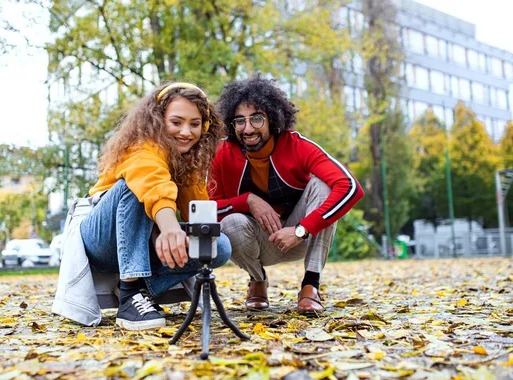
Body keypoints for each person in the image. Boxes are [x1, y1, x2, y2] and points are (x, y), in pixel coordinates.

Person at [53, 82, 231, 330]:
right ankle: (128, 297)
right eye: (176, 122)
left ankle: (140, 290)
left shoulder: (187, 160)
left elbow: (197, 209)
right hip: (100, 241)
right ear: (158, 120)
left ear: (206, 126)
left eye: (195, 123)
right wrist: (169, 228)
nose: (186, 132)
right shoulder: (141, 148)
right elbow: (152, 183)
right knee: (132, 187)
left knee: (217, 245)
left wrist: (198, 235)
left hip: (139, 241)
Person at [209, 75, 364, 315]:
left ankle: (311, 285)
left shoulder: (296, 146)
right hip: (257, 241)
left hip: (301, 234)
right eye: (240, 120)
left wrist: (302, 229)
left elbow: (350, 187)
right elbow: (208, 209)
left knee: (324, 185)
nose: (247, 128)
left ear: (273, 119)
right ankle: (257, 280)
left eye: (257, 119)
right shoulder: (223, 153)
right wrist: (248, 201)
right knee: (230, 222)